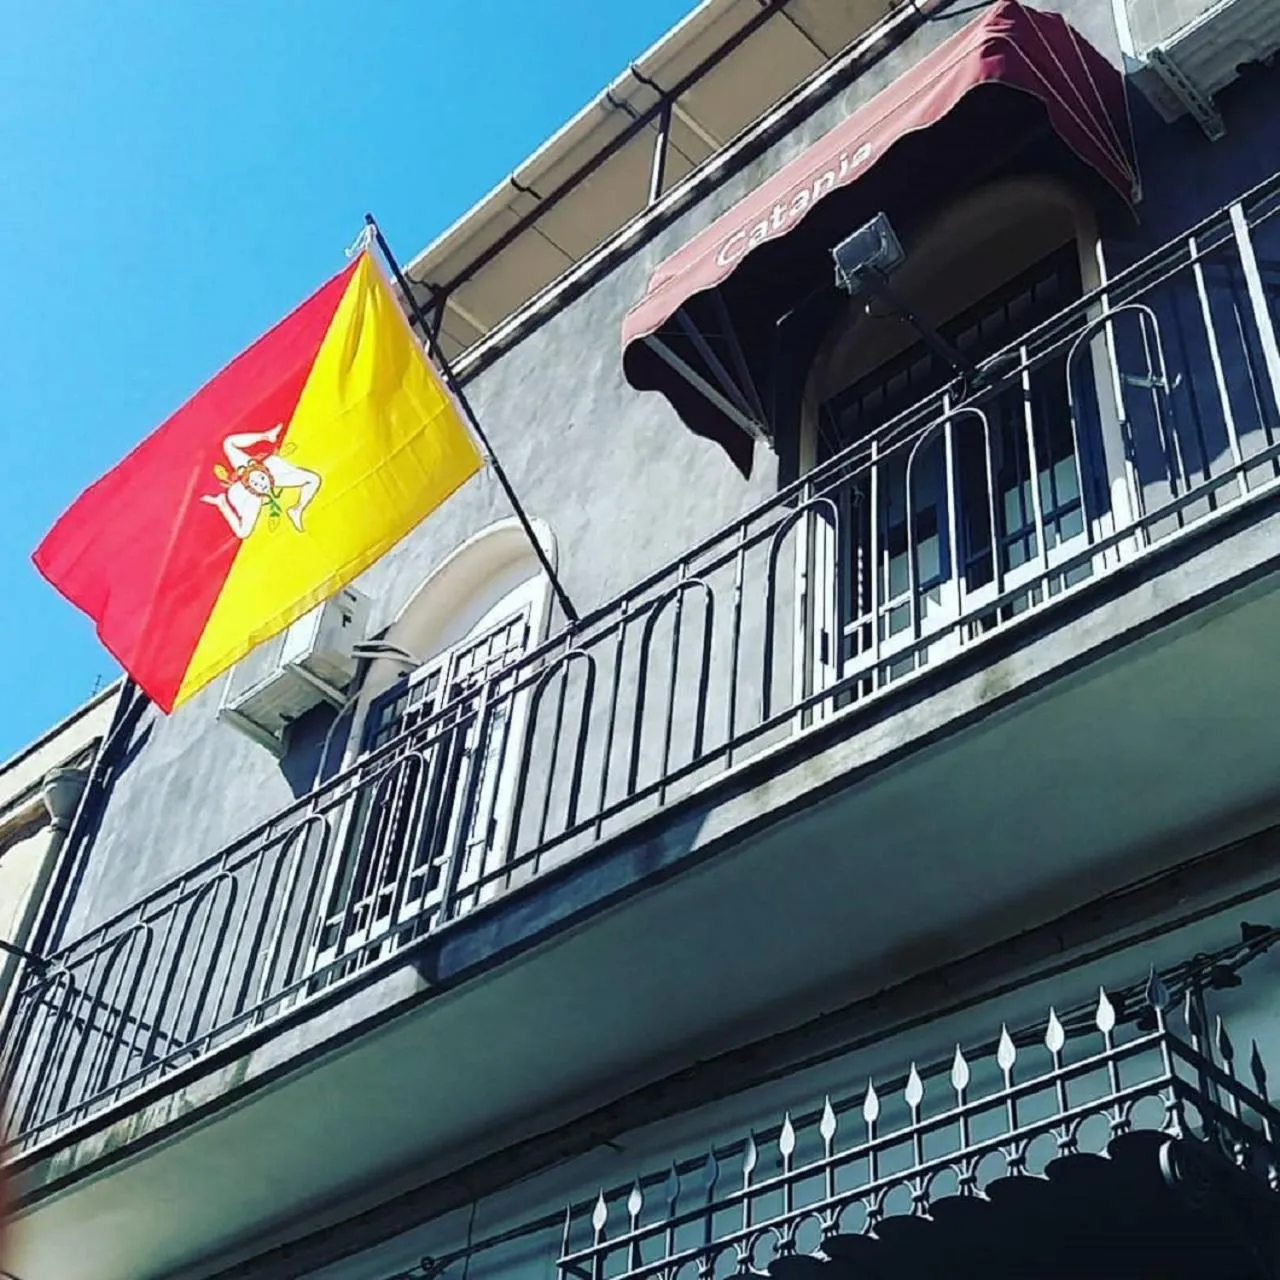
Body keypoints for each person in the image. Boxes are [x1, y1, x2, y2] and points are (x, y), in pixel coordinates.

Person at [200, 425, 321, 540]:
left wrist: (300, 505)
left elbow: (311, 478)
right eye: (256, 484)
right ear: (250, 488)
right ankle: (221, 503)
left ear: (265, 473)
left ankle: (297, 510)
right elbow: (242, 533)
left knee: (314, 479)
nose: (262, 484)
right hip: (249, 484)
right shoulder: (253, 499)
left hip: (261, 472)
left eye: (262, 479)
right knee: (243, 532)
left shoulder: (273, 471)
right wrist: (223, 506)